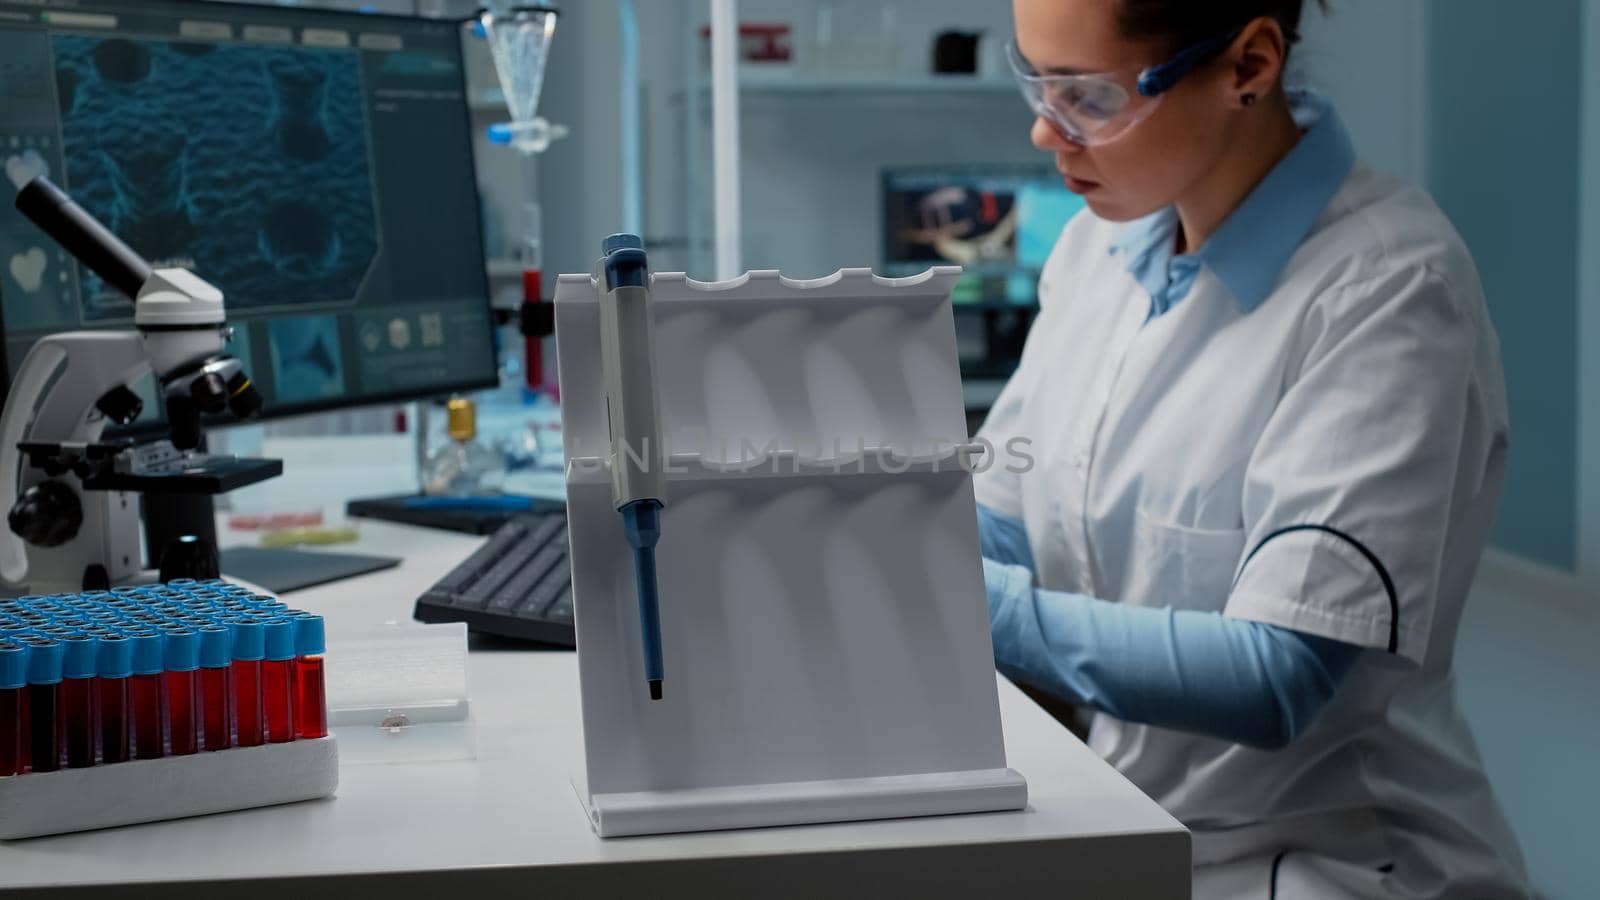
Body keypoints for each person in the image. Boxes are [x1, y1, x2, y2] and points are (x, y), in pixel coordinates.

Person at [975, 1, 1531, 896]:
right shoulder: (1096, 249)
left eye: (1089, 96)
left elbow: (1276, 673)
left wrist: (980, 608)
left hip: (1335, 859)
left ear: (1249, 66)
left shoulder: (1389, 286)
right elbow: (1006, 526)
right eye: (1037, 82)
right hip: (1147, 827)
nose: (1046, 130)